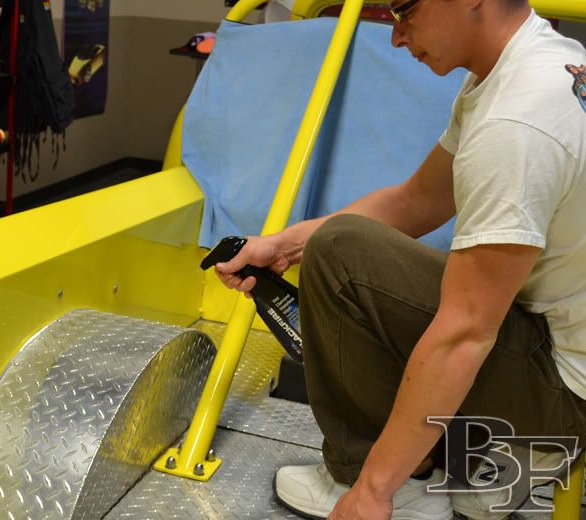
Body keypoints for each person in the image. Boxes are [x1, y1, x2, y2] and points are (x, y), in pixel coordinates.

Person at [215, 0, 586, 518]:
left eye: (404, 10)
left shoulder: (517, 124)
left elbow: (466, 332)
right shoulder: (542, 62)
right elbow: (417, 200)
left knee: (341, 258)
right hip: (566, 344)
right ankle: (496, 449)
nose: (395, 36)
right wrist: (283, 244)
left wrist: (372, 491)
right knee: (342, 246)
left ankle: (398, 483)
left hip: (570, 394)